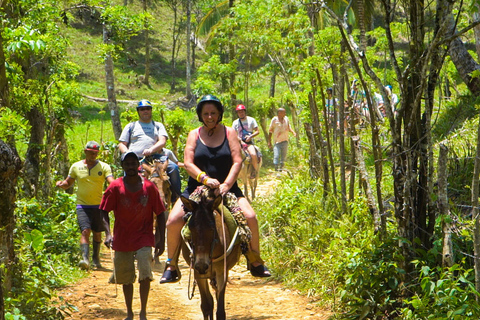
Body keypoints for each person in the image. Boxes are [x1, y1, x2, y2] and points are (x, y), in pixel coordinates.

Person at [160, 94, 271, 284]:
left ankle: (255, 261)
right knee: (172, 221)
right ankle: (171, 264)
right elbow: (187, 162)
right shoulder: (194, 135)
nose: (209, 117)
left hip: (228, 188)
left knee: (250, 217)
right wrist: (204, 178)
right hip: (197, 188)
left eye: (213, 113)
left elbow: (237, 160)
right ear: (200, 115)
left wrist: (226, 184)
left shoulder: (230, 133)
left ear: (219, 114)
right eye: (206, 113)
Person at [100, 151, 166, 320]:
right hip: (122, 238)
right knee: (126, 277)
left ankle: (143, 312)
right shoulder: (115, 186)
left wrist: (161, 239)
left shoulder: (149, 188)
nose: (130, 167)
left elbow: (160, 213)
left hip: (144, 237)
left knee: (145, 273)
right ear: (122, 166)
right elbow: (103, 211)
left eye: (133, 163)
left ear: (138, 165)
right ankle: (130, 312)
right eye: (126, 164)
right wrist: (108, 234)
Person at [56, 141, 114, 270]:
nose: (93, 155)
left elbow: (111, 182)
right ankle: (85, 259)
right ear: (85, 152)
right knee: (85, 231)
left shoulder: (104, 167)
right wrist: (61, 184)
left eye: (95, 153)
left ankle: (96, 259)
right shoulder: (76, 166)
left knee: (97, 232)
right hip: (82, 206)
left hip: (99, 206)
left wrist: (118, 187)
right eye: (90, 153)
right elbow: (68, 183)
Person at [118, 99, 181, 203]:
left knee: (173, 168)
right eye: (142, 109)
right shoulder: (131, 126)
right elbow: (121, 144)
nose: (145, 111)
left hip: (156, 158)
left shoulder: (157, 125)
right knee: (128, 174)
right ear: (138, 111)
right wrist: (128, 154)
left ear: (151, 110)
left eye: (147, 109)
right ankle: (125, 198)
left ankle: (177, 197)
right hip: (137, 159)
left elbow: (162, 141)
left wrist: (151, 150)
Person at [232, 104, 260, 179]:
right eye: (239, 112)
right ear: (237, 113)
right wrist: (240, 141)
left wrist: (250, 136)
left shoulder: (251, 120)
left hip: (249, 143)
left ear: (245, 112)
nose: (241, 113)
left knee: (253, 154)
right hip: (239, 143)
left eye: (242, 112)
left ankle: (254, 171)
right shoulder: (235, 123)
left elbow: (257, 131)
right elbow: (233, 134)